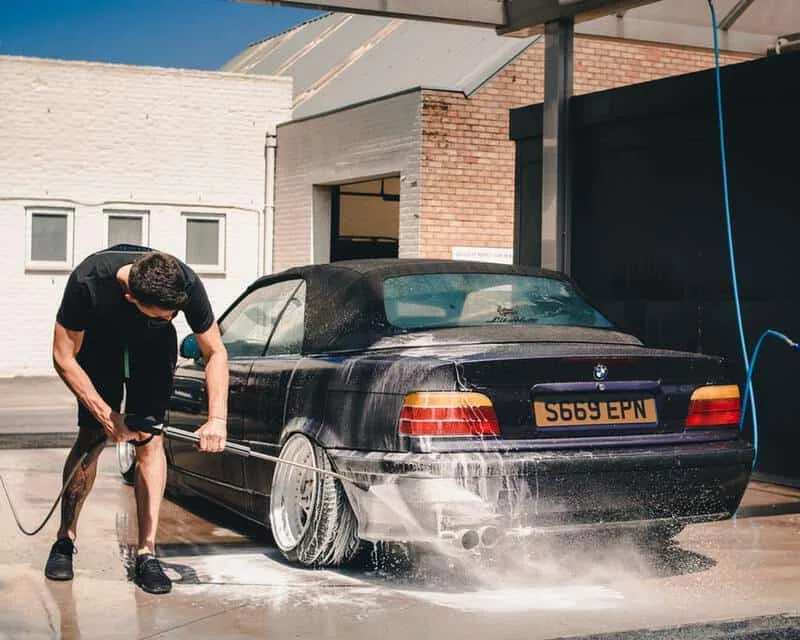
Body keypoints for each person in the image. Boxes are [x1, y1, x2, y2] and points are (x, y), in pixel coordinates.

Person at [44, 245, 229, 594]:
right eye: (164, 313)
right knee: (91, 437)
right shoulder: (88, 281)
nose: (173, 316)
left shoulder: (183, 280)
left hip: (153, 349)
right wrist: (106, 415)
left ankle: (147, 552)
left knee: (150, 441)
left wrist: (217, 418)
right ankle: (65, 540)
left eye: (175, 312)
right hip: (99, 347)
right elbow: (63, 356)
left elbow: (215, 351)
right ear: (131, 298)